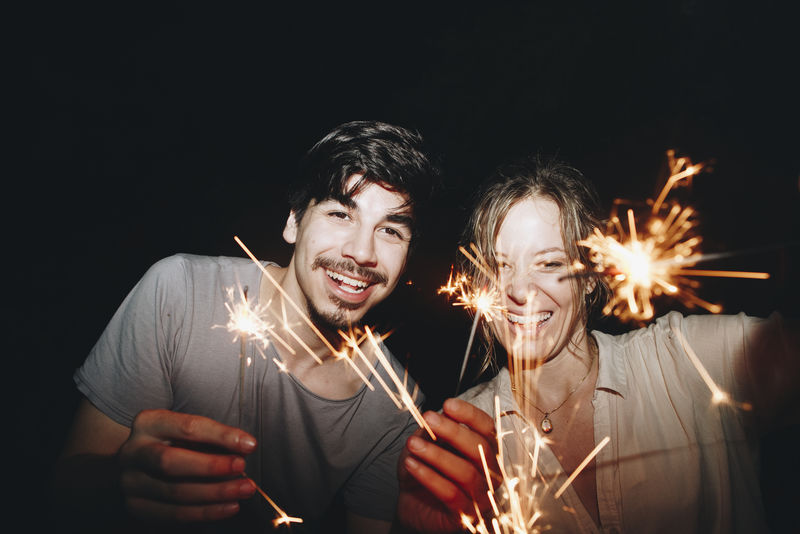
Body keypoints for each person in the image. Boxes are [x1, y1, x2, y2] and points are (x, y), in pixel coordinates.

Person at [53, 120, 439, 533]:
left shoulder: (399, 407)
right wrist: (119, 486)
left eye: (390, 231)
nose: (362, 252)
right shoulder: (180, 293)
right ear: (294, 221)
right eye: (340, 213)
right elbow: (63, 491)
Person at [396, 156, 799, 533]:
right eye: (500, 266)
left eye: (550, 263)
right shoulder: (464, 438)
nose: (518, 290)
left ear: (590, 275)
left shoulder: (689, 360)